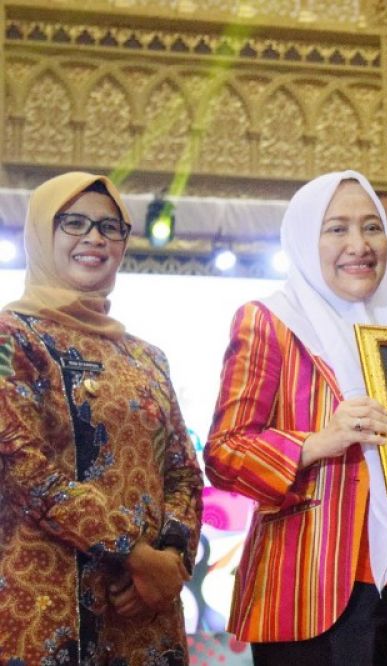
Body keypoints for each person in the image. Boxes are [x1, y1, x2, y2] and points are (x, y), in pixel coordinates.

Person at [203, 170, 387, 665]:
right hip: (310, 579)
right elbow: (224, 451)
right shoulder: (270, 321)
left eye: (372, 227)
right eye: (337, 229)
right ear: (306, 239)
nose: (359, 245)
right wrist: (315, 442)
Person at [0, 172, 203, 664]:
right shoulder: (10, 338)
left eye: (110, 227)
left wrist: (170, 560)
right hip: (47, 602)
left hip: (145, 613)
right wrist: (135, 556)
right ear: (42, 233)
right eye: (74, 223)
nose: (94, 237)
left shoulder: (147, 357)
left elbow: (183, 472)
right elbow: (20, 463)